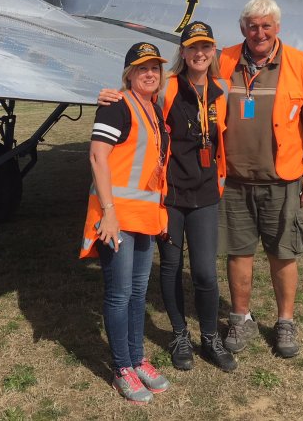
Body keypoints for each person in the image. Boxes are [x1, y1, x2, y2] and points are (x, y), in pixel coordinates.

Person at [97, 22, 237, 373]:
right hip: (170, 196)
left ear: (213, 50)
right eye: (193, 47)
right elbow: (132, 98)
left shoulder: (224, 88)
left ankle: (209, 337)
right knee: (171, 268)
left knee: (205, 273)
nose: (200, 53)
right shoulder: (167, 88)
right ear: (184, 52)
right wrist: (107, 95)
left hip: (205, 194)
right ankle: (178, 335)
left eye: (206, 46)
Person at [218, 0, 303, 359]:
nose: (259, 32)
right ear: (243, 29)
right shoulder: (223, 60)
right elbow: (182, 89)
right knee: (238, 252)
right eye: (252, 26)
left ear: (277, 28)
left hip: (282, 179)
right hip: (233, 178)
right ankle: (241, 317)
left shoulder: (298, 64)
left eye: (266, 25)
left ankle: (285, 322)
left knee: (283, 254)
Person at [80, 42, 171, 404]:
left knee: (137, 293)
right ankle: (121, 368)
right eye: (142, 68)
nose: (150, 73)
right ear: (129, 74)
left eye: (155, 68)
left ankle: (137, 359)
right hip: (116, 218)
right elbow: (97, 156)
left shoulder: (153, 107)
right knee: (119, 294)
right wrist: (109, 212)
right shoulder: (117, 104)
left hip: (144, 218)